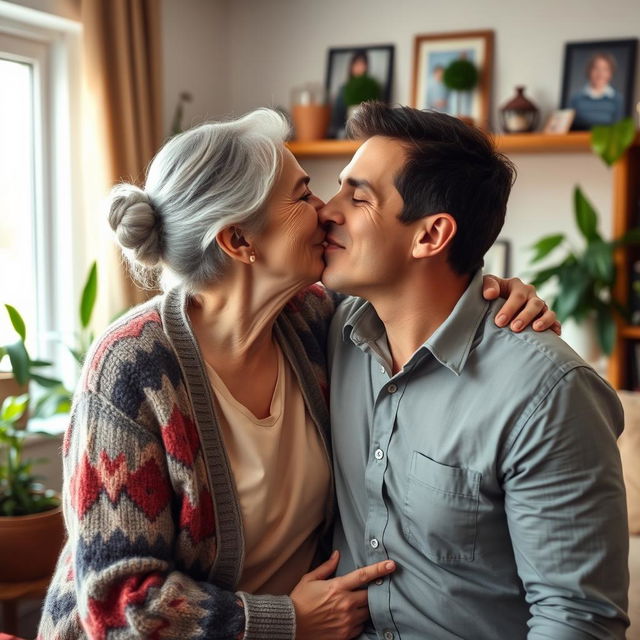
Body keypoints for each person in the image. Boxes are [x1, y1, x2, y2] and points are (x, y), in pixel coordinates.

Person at [37, 109, 556, 640]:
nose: (326, 211)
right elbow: (118, 606)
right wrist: (286, 621)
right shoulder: (132, 368)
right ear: (239, 242)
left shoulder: (315, 320)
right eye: (303, 195)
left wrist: (494, 297)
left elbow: (421, 284)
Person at [322, 102, 629, 639]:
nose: (328, 210)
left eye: (358, 196)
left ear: (431, 235)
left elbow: (577, 620)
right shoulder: (325, 328)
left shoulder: (545, 392)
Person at [330, 50, 381, 139]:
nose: (360, 67)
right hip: (347, 131)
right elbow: (338, 114)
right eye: (357, 64)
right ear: (351, 66)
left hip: (367, 132)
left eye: (362, 64)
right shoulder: (344, 89)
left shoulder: (371, 85)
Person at [569, 52, 623, 129]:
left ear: (610, 73)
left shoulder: (618, 99)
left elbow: (619, 126)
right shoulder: (576, 98)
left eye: (605, 69)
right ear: (589, 71)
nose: (600, 73)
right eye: (596, 68)